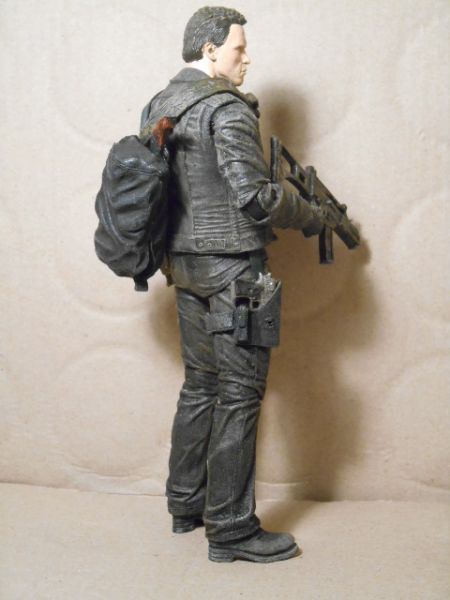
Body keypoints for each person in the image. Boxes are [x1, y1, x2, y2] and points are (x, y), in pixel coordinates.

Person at [144, 6, 322, 563]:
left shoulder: (160, 104)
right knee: (240, 393)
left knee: (200, 386)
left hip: (183, 267)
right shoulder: (226, 107)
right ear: (210, 50)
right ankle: (231, 528)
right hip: (235, 271)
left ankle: (185, 504)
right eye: (239, 48)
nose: (247, 59)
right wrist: (310, 214)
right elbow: (255, 197)